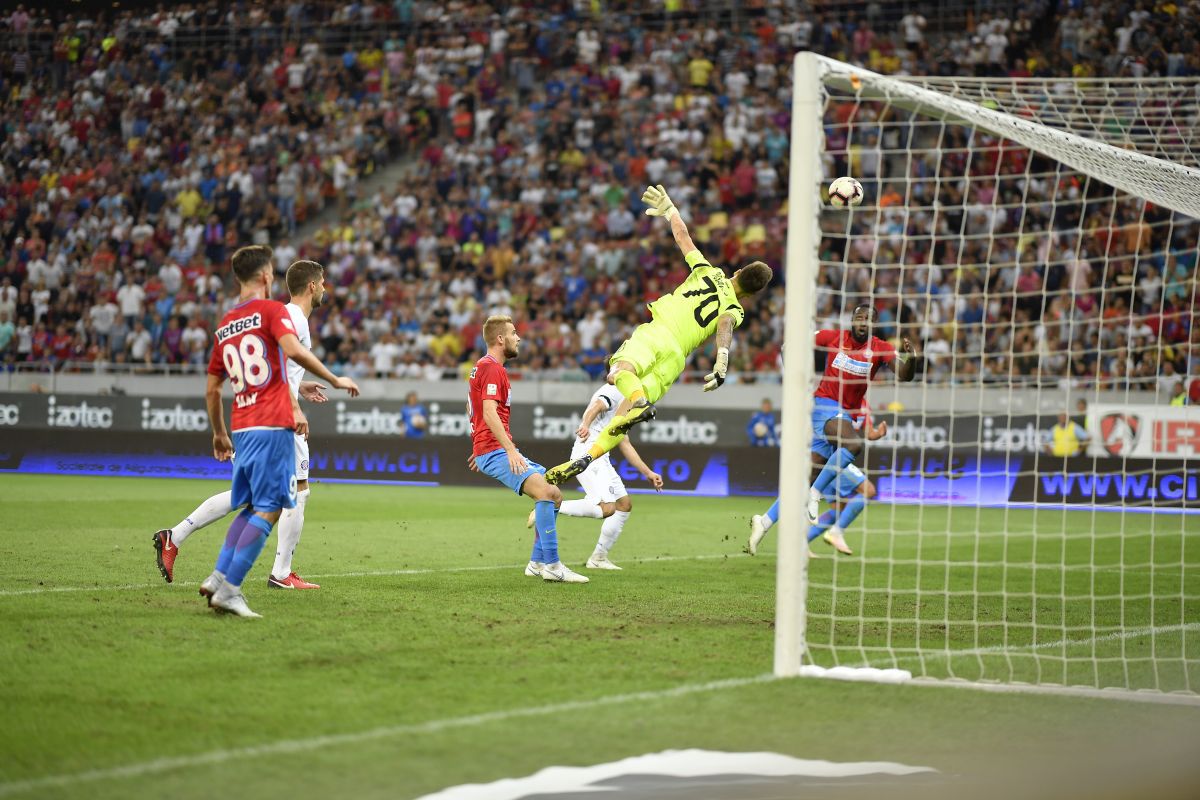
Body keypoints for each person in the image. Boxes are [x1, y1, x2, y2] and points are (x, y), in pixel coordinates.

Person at [544, 184, 773, 485]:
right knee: (622, 419)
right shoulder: (736, 309)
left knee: (618, 371)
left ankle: (639, 401)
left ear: (739, 271)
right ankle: (586, 458)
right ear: (752, 294)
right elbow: (725, 325)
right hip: (676, 359)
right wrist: (722, 360)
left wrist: (670, 210)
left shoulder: (710, 272)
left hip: (659, 332)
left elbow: (683, 237)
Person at [172, 246, 357, 617]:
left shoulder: (227, 323)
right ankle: (241, 583)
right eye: (323, 282)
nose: (325, 288)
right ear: (266, 276)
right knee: (273, 504)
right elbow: (291, 356)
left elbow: (216, 387)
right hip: (273, 421)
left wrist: (219, 432)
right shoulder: (278, 313)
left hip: (242, 421)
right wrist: (326, 384)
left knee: (253, 501)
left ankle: (216, 573)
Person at [468, 315, 588, 583]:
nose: (518, 338)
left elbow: (471, 407)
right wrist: (507, 450)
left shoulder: (483, 366)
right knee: (545, 492)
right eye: (513, 333)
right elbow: (488, 412)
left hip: (490, 448)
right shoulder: (492, 368)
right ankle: (553, 566)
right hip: (496, 450)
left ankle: (536, 563)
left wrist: (479, 444)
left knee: (554, 494)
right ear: (501, 339)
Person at [803, 305, 916, 552]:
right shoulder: (835, 338)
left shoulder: (862, 403)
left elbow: (904, 375)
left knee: (831, 500)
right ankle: (830, 528)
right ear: (852, 320)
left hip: (837, 446)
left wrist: (912, 359)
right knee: (865, 487)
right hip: (827, 419)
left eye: (869, 319)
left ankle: (774, 526)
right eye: (859, 317)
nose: (863, 322)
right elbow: (801, 341)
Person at [535, 382, 664, 570]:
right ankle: (550, 507)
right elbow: (597, 405)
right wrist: (585, 425)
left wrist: (648, 473)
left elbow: (624, 441)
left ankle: (599, 558)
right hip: (588, 454)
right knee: (607, 508)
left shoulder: (628, 393)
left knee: (623, 505)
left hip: (601, 456)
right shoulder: (615, 388)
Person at [748, 409, 887, 557]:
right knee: (868, 490)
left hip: (825, 456)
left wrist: (878, 433)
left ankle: (783, 533)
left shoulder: (861, 405)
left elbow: (869, 433)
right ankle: (836, 532)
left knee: (837, 508)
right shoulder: (835, 402)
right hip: (832, 459)